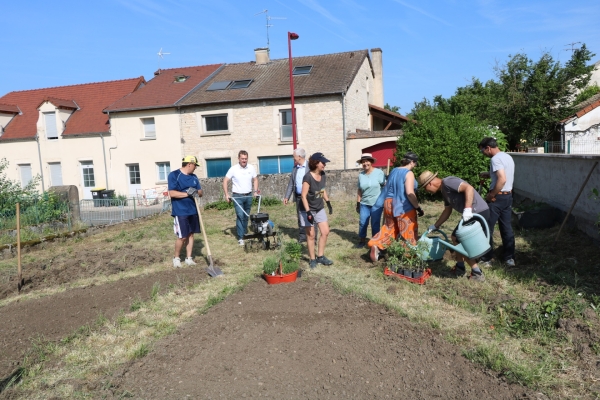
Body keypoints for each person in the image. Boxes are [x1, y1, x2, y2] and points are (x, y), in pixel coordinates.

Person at [418, 170, 491, 282]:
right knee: (455, 238)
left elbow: (469, 188)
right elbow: (447, 211)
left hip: (477, 211)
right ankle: (460, 266)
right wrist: (435, 225)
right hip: (473, 213)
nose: (427, 191)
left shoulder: (448, 182)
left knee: (459, 239)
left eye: (425, 188)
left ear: (430, 184)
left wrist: (467, 209)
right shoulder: (444, 191)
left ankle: (476, 272)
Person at [368, 152, 424, 262]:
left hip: (388, 204)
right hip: (403, 206)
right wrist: (418, 208)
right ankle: (408, 256)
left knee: (390, 228)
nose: (414, 166)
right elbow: (409, 193)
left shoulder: (394, 170)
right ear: (412, 162)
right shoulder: (408, 173)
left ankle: (376, 245)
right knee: (408, 230)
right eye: (415, 163)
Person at [478, 137, 516, 267]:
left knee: (487, 227)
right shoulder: (507, 156)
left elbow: (502, 179)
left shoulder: (495, 159)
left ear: (488, 147)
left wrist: (491, 195)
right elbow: (502, 175)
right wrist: (488, 174)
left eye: (482, 150)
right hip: (508, 196)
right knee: (506, 227)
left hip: (497, 198)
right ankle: (509, 258)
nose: (483, 153)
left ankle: (487, 258)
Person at [168, 155, 203, 268]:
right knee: (182, 236)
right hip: (180, 210)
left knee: (191, 234)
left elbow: (200, 192)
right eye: (195, 165)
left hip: (193, 210)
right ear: (189, 164)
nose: (195, 168)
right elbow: (172, 193)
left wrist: (196, 192)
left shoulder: (194, 177)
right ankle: (176, 258)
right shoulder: (174, 175)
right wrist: (187, 194)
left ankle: (189, 258)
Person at [300, 152, 334, 269]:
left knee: (325, 231)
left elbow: (322, 189)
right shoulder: (308, 177)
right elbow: (303, 196)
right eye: (322, 162)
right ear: (315, 163)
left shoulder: (323, 174)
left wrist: (328, 202)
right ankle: (312, 259)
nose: (324, 164)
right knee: (311, 235)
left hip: (319, 207)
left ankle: (320, 257)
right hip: (307, 209)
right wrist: (308, 212)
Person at [223, 150, 259, 246]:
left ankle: (244, 233)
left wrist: (255, 191)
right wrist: (226, 194)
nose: (244, 160)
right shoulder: (233, 169)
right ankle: (240, 237)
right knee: (240, 216)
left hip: (249, 195)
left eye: (245, 159)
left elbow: (255, 179)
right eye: (242, 158)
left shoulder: (251, 168)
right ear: (238, 158)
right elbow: (225, 180)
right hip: (237, 196)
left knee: (246, 216)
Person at [356, 153, 385, 248]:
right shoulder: (361, 175)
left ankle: (375, 242)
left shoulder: (379, 173)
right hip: (364, 203)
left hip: (377, 203)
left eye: (367, 161)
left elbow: (384, 186)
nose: (365, 163)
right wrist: (358, 203)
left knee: (375, 223)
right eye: (363, 162)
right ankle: (362, 240)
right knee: (363, 222)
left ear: (371, 162)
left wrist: (384, 200)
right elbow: (359, 190)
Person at [284, 147, 311, 242]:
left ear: (299, 157)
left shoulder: (310, 167)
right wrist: (287, 196)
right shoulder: (295, 168)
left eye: (294, 156)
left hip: (309, 197)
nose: (293, 158)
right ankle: (303, 237)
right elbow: (291, 183)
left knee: (311, 216)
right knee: (300, 217)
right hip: (299, 197)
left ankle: (312, 237)